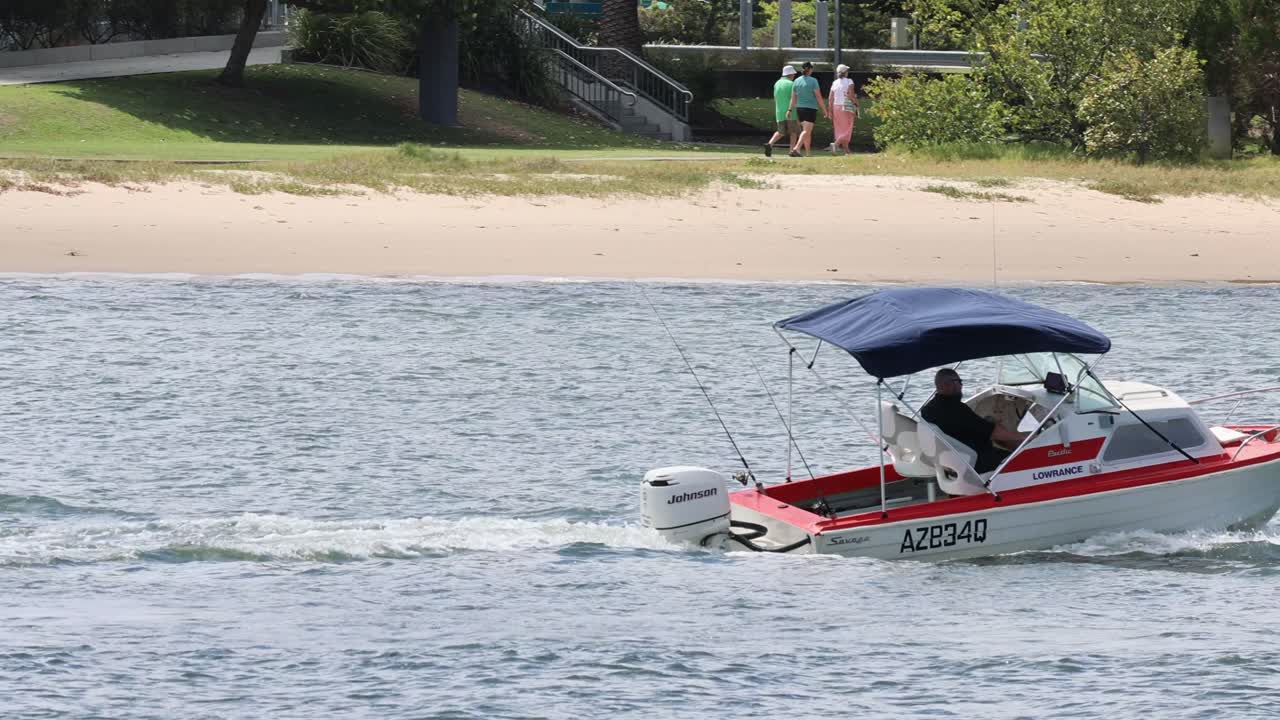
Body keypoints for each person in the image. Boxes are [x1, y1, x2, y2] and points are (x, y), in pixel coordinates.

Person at [921, 368, 1029, 473]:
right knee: (1023, 458)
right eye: (959, 382)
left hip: (950, 463)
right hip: (977, 462)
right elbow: (994, 433)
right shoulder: (957, 409)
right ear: (950, 384)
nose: (961, 385)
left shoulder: (927, 410)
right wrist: (1025, 436)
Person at [785, 61, 828, 157]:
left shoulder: (796, 81)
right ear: (810, 69)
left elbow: (793, 97)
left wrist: (789, 109)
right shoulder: (813, 81)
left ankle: (808, 153)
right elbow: (818, 97)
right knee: (806, 131)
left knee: (806, 132)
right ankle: (796, 148)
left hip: (799, 109)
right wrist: (825, 110)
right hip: (810, 109)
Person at [765, 65, 800, 158]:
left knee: (780, 132)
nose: (794, 76)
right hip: (791, 112)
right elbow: (794, 98)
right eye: (793, 74)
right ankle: (792, 150)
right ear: (790, 74)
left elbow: (775, 98)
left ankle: (770, 144)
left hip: (779, 112)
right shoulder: (792, 84)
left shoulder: (777, 83)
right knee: (794, 132)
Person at [827, 64, 859, 155]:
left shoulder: (835, 83)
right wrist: (856, 103)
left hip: (836, 106)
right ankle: (836, 144)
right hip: (846, 106)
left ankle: (846, 150)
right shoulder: (849, 81)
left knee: (839, 128)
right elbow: (850, 95)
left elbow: (830, 98)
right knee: (848, 128)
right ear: (845, 72)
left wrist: (830, 111)